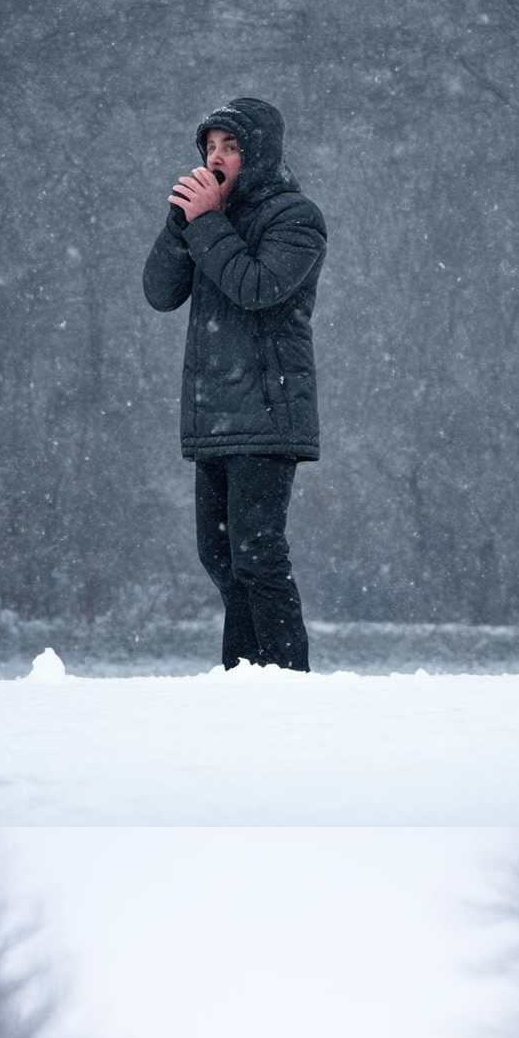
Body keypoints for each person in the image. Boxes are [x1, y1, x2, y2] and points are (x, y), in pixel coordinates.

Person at [142, 95, 324, 672]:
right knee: (219, 557)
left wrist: (208, 223)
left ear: (260, 154)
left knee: (257, 554)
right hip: (215, 415)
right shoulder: (205, 219)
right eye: (210, 147)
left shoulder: (296, 218)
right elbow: (160, 293)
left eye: (232, 147)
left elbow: (256, 287)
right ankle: (243, 679)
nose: (217, 158)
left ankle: (287, 681)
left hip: (269, 414)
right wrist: (182, 220)